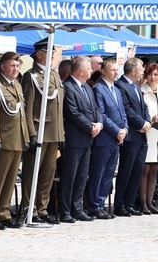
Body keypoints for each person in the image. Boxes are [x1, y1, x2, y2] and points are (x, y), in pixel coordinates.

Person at [20, 39, 64, 225]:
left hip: (53, 131)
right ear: (38, 54)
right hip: (39, 130)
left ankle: (42, 208)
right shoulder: (31, 76)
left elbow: (59, 107)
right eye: (48, 52)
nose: (52, 55)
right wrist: (31, 134)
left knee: (48, 173)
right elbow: (28, 108)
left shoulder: (54, 75)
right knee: (32, 173)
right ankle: (29, 208)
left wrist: (61, 133)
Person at [0, 52, 29, 230]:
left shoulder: (17, 85)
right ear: (2, 67)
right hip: (3, 138)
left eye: (17, 66)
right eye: (12, 66)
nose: (15, 69)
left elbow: (22, 115)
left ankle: (4, 213)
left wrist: (26, 136)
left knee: (10, 180)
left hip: (17, 138)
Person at [59, 56, 103, 223]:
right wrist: (90, 127)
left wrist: (98, 124)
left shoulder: (87, 88)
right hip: (74, 139)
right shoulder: (68, 87)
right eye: (89, 68)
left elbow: (96, 109)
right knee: (69, 176)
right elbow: (72, 112)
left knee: (82, 176)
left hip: (87, 139)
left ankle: (77, 209)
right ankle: (65, 211)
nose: (92, 71)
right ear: (81, 70)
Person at [87, 58, 127, 220]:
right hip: (104, 138)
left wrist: (124, 129)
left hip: (116, 138)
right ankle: (94, 206)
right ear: (103, 71)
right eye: (112, 70)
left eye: (117, 70)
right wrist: (117, 131)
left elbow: (122, 112)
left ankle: (101, 203)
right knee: (99, 173)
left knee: (109, 173)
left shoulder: (116, 90)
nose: (116, 72)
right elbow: (101, 114)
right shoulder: (98, 89)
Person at [114, 58, 151, 217]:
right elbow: (126, 109)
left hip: (142, 136)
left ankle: (129, 203)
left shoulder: (136, 86)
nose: (144, 70)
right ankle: (119, 204)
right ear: (133, 70)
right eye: (142, 68)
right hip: (131, 135)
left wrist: (148, 121)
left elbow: (144, 107)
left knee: (137, 171)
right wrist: (141, 123)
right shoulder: (120, 86)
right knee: (126, 171)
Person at [139, 63, 158, 214]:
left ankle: (151, 203)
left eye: (156, 75)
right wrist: (152, 118)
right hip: (148, 132)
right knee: (145, 168)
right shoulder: (142, 91)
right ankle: (143, 203)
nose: (153, 77)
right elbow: (141, 114)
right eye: (150, 74)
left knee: (154, 169)